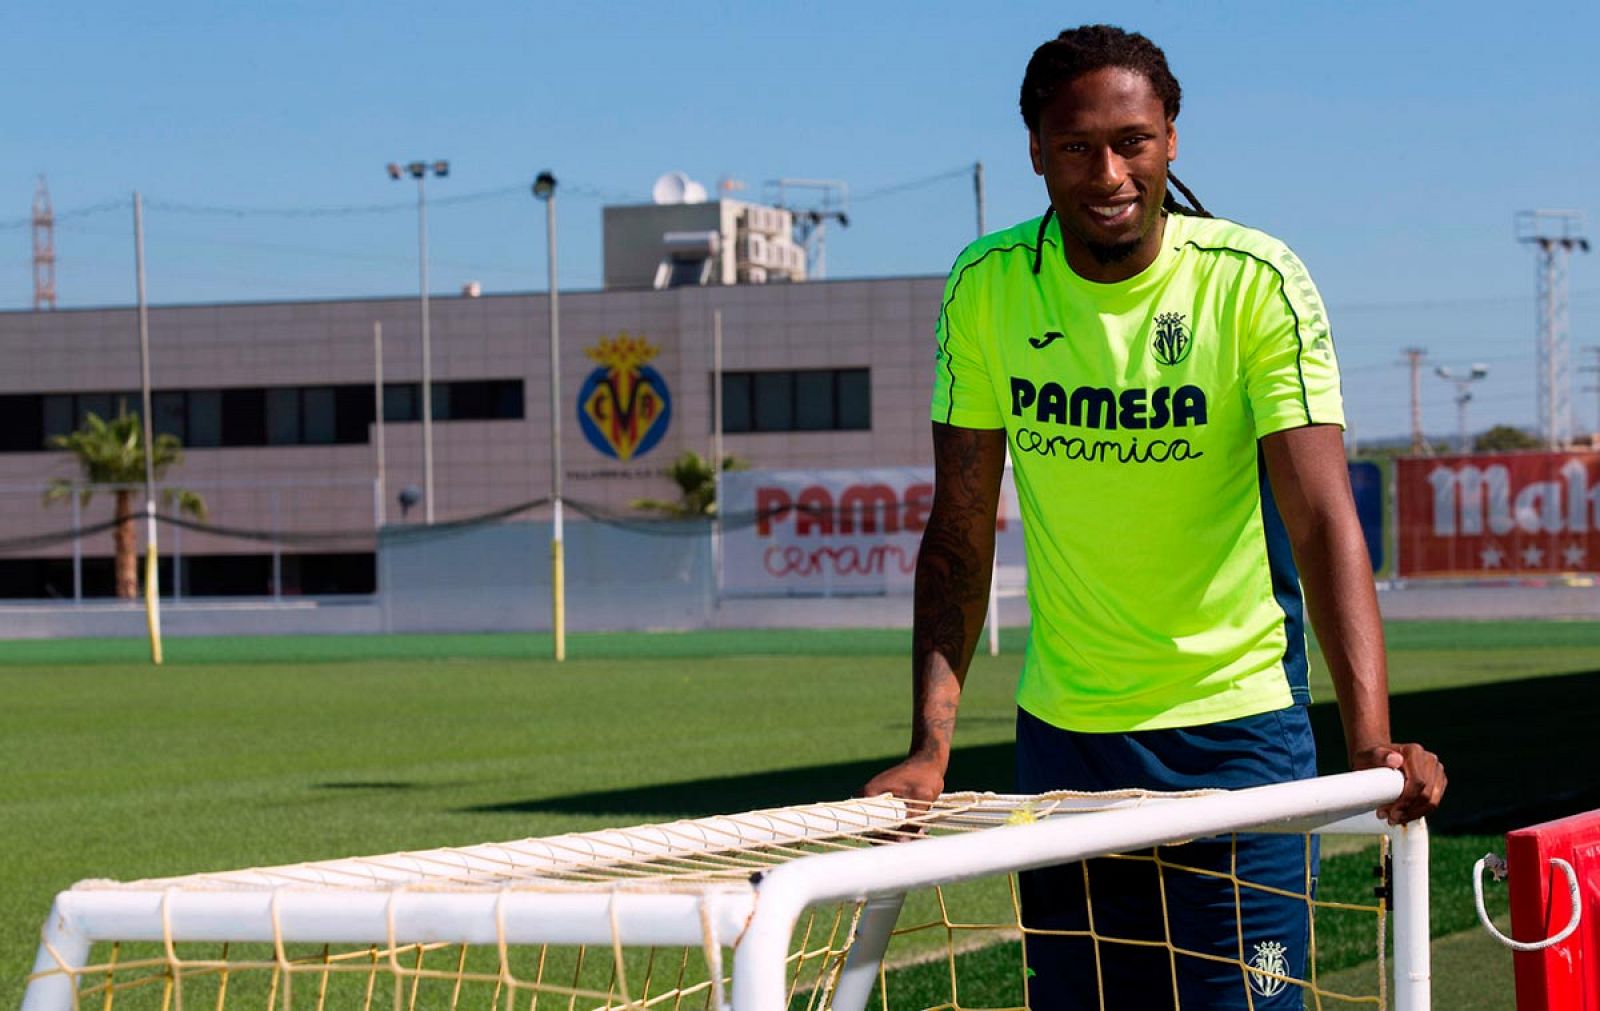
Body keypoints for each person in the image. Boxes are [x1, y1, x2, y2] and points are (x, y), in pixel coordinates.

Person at [863, 24, 1447, 1010]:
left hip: (1240, 742)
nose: (1107, 172)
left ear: (1171, 138)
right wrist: (930, 748)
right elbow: (960, 531)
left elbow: (1321, 522)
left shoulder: (1253, 282)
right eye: (1076, 147)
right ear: (1036, 153)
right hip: (1066, 747)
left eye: (1131, 140)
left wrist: (1368, 745)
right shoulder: (987, 287)